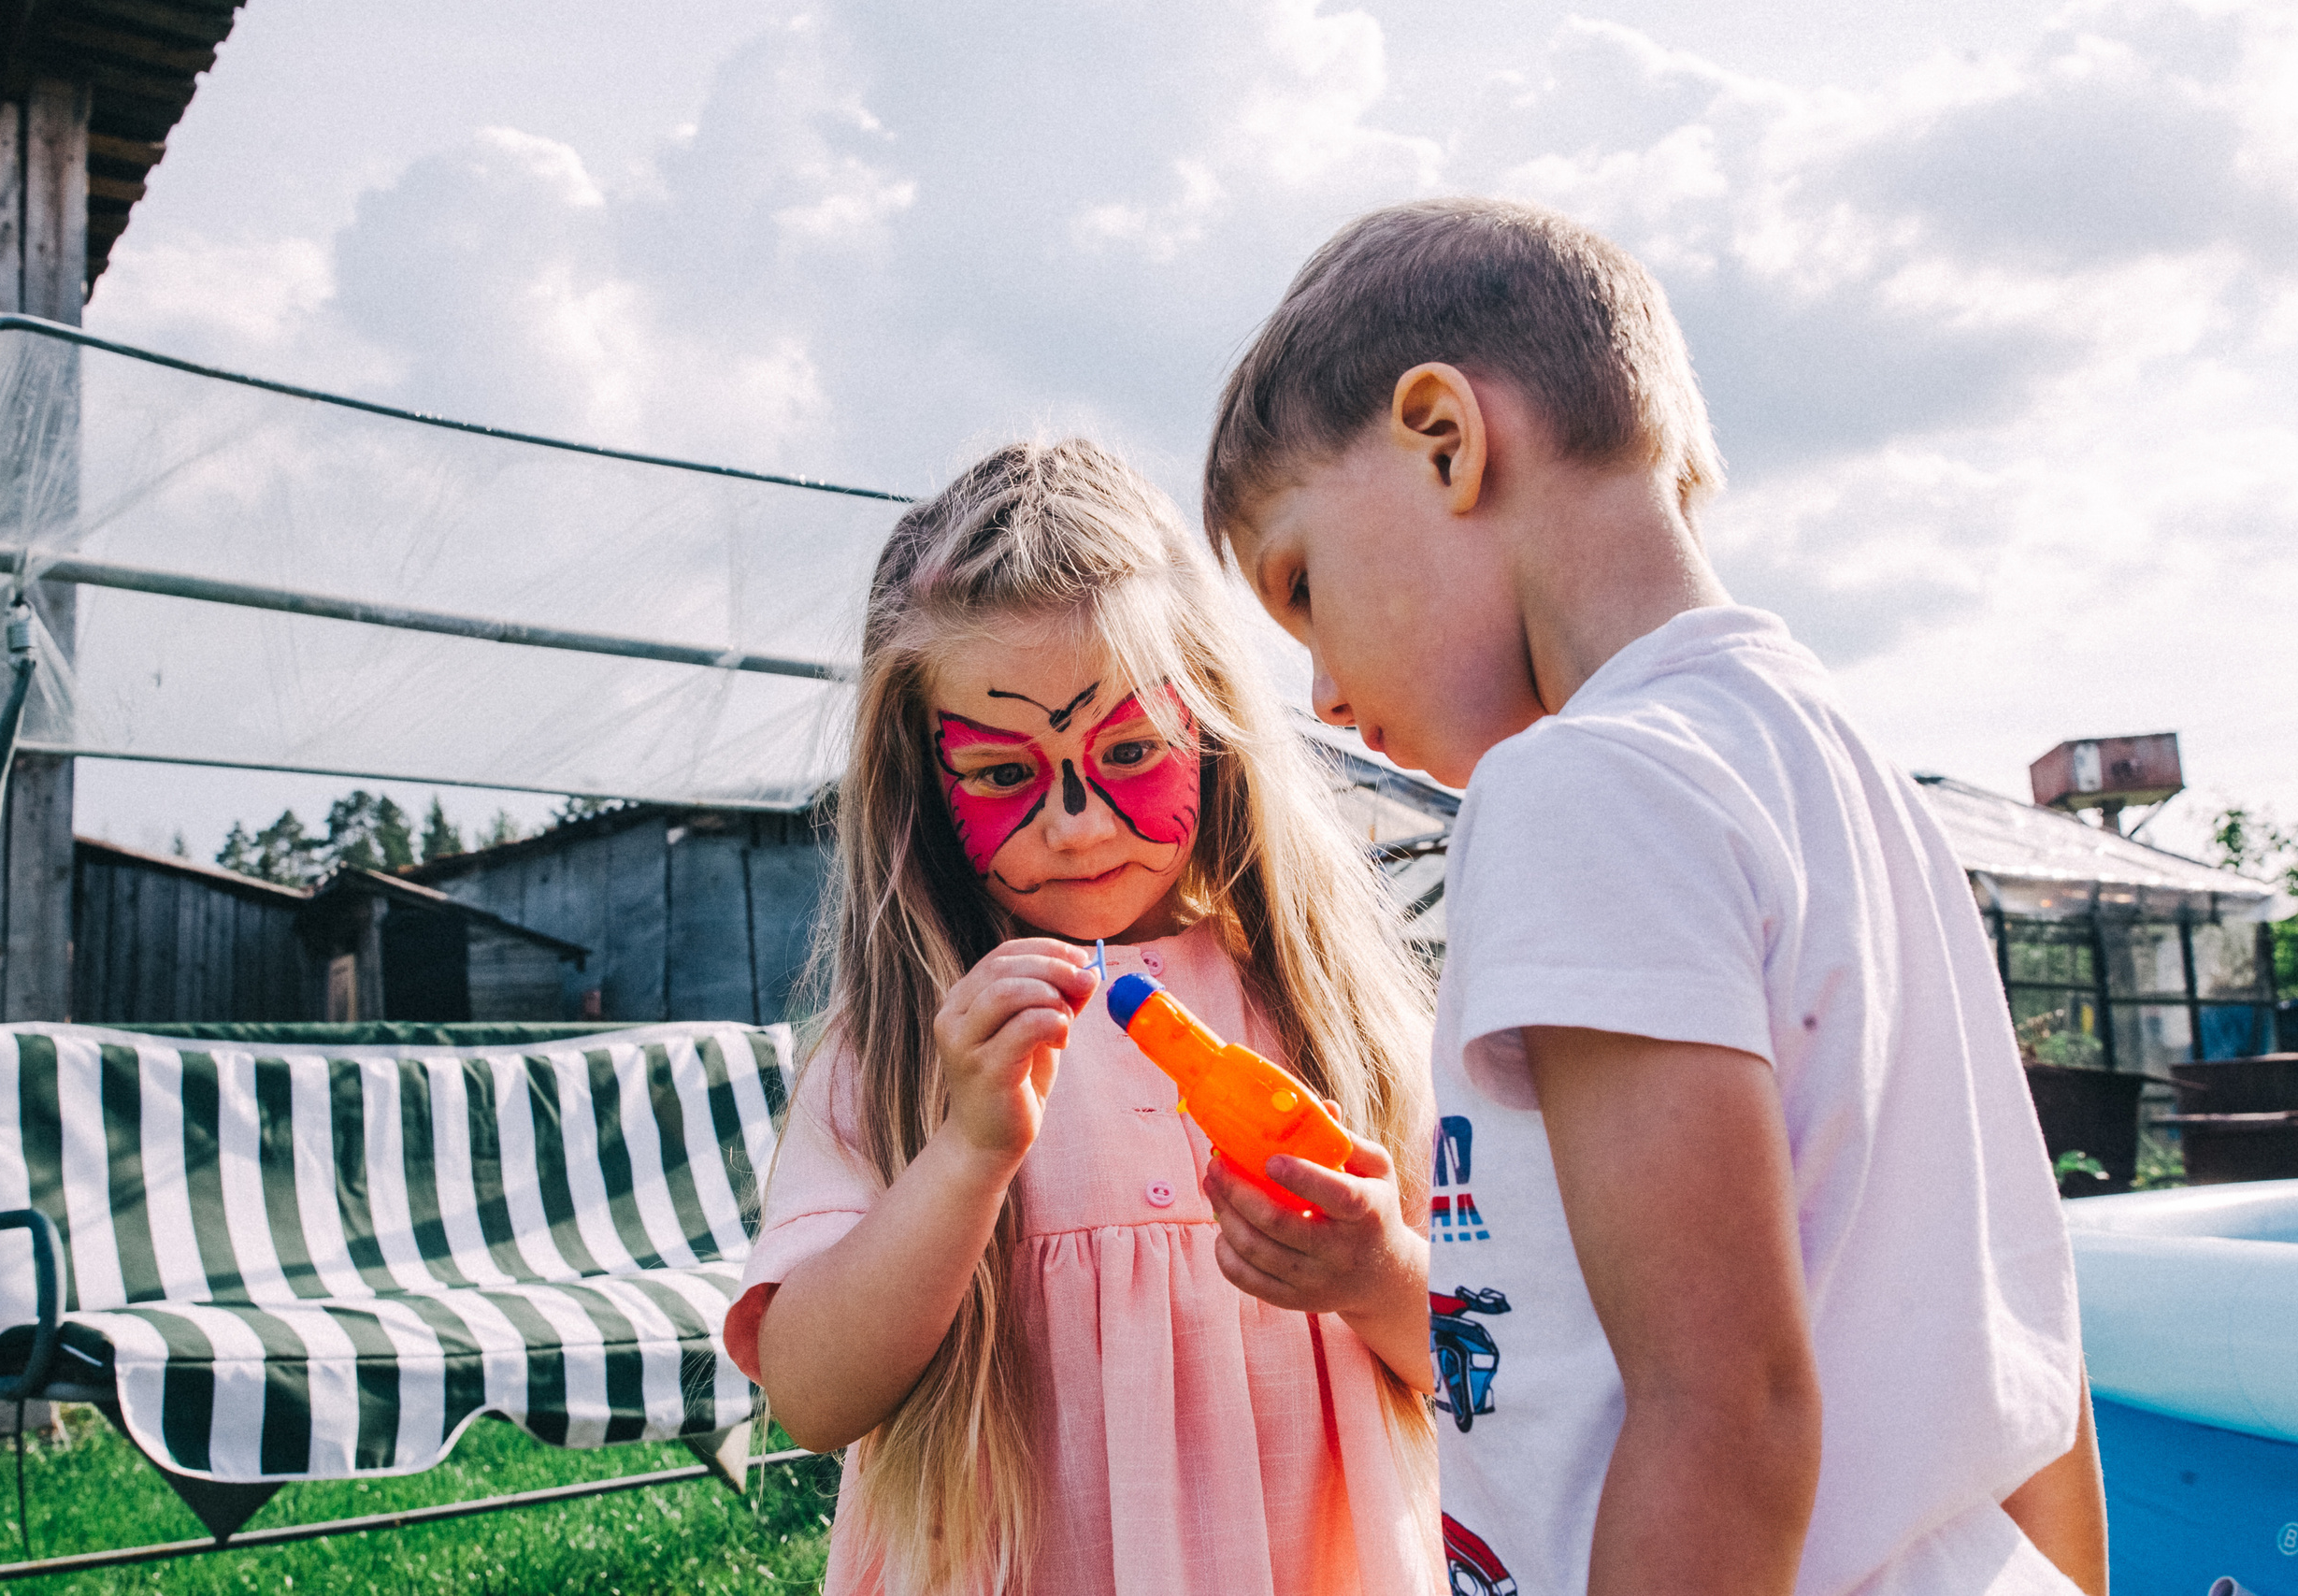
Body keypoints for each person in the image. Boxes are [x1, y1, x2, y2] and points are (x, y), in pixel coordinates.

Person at [1197, 198, 2108, 1596]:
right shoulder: (1852, 780)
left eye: (1303, 583)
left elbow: (1722, 1407)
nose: (1319, 691)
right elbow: (2030, 1352)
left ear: (1444, 437)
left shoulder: (1585, 786)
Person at [723, 439, 1440, 1596]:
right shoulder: (902, 1054)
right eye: (1005, 774)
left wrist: (1377, 1274)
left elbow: (1491, 1364)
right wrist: (967, 1154)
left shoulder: (1330, 1019)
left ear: (1210, 735)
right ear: (920, 777)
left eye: (1130, 752)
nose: (1075, 820)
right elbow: (808, 1400)